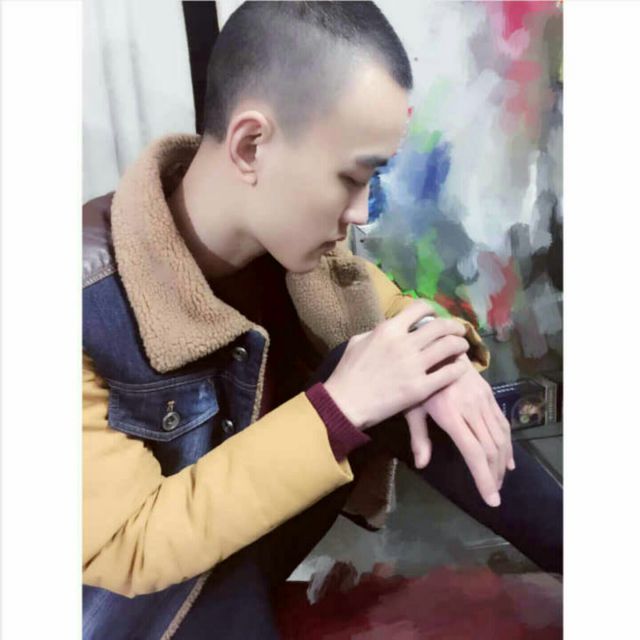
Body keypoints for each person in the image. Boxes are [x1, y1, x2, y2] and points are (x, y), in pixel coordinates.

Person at [82, 2, 562, 638]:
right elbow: (129, 547)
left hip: (245, 558)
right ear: (251, 145)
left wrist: (437, 361)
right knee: (369, 374)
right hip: (151, 613)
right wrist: (339, 409)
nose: (361, 213)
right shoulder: (75, 300)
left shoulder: (298, 253)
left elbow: (398, 314)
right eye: (351, 178)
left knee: (397, 359)